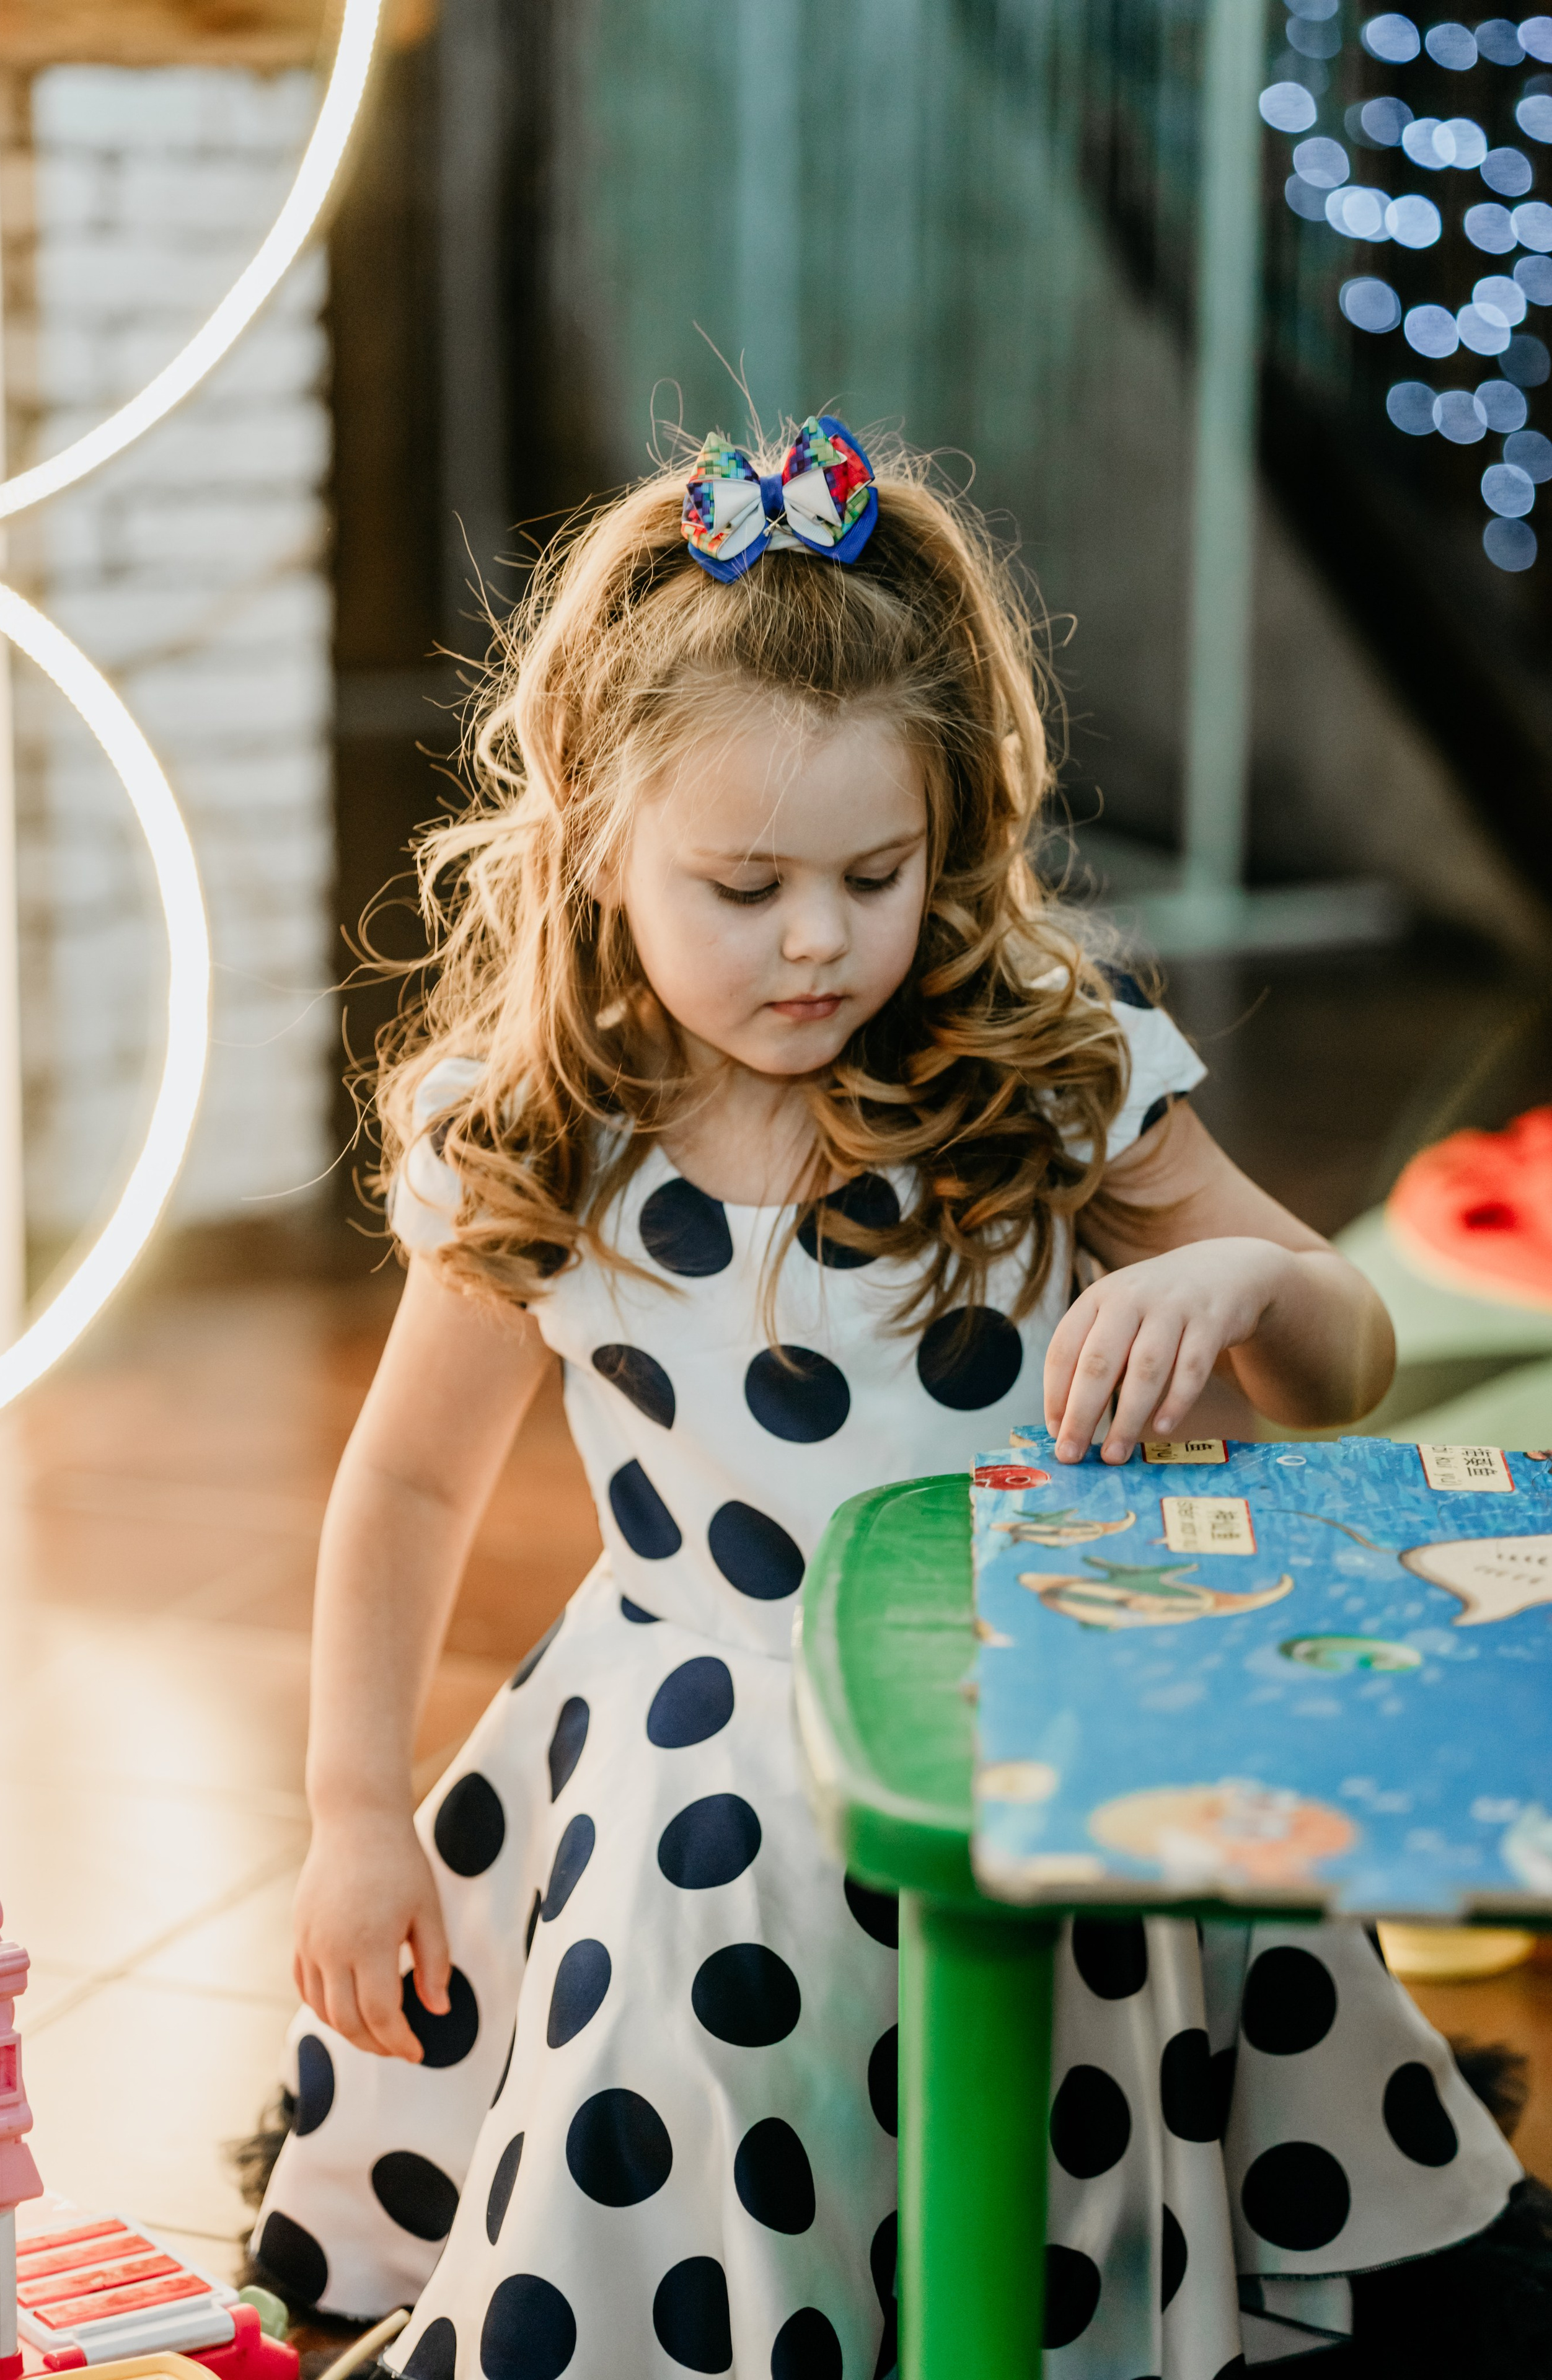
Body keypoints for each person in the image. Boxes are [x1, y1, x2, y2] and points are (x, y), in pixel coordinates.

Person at [249, 420, 1533, 2379]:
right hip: (702, 1725)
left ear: (954, 831)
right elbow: (412, 1491)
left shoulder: (1051, 1068)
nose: (820, 940)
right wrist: (354, 1811)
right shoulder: (542, 1132)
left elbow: (1347, 1358)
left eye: (877, 871)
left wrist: (1250, 1274)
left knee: (1048, 2036)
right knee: (709, 1963)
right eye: (744, 884)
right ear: (596, 830)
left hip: (1037, 1685)